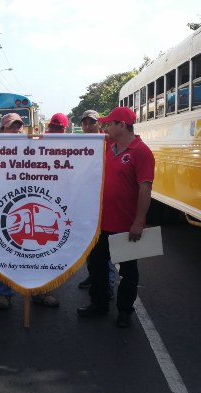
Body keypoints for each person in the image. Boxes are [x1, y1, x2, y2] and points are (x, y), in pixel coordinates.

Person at [77, 106, 154, 328]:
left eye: (109, 123)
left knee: (128, 272)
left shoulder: (141, 151)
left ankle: (125, 311)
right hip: (101, 223)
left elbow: (145, 189)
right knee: (97, 267)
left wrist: (139, 221)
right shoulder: (109, 146)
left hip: (126, 224)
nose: (104, 127)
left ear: (122, 126)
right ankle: (99, 304)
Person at [0, 113, 60, 310]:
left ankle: (39, 291)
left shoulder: (33, 146)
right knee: (4, 252)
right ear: (2, 130)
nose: (17, 130)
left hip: (31, 204)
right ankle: (3, 294)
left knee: (38, 253)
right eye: (12, 126)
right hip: (4, 208)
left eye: (19, 126)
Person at [76, 109, 116, 296]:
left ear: (99, 124)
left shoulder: (109, 141)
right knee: (89, 244)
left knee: (105, 247)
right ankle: (93, 276)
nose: (88, 126)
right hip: (86, 202)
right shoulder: (79, 142)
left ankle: (107, 283)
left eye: (92, 122)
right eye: (84, 123)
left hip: (106, 204)